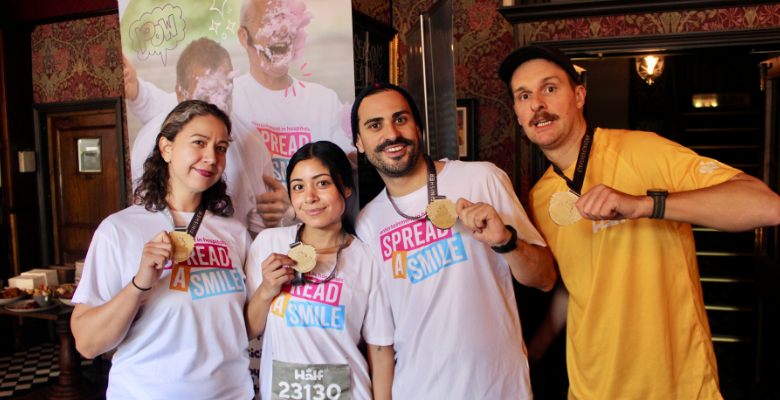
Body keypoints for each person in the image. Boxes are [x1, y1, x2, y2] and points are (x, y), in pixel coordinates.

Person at [498, 45, 780, 399]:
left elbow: (767, 206)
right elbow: (574, 285)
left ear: (579, 96)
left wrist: (645, 204)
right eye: (524, 95)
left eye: (550, 88)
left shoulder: (642, 150)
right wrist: (532, 352)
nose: (537, 103)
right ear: (518, 114)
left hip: (674, 386)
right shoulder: (540, 197)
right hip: (590, 388)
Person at [351, 83, 556, 399]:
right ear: (359, 142)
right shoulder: (367, 222)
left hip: (497, 389)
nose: (391, 134)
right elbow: (381, 337)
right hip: (416, 391)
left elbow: (545, 278)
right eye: (375, 125)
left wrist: (505, 241)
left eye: (400, 119)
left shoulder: (482, 179)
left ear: (418, 128)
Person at [71, 100, 254, 399]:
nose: (211, 158)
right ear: (166, 149)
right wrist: (139, 284)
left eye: (220, 148)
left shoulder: (234, 231)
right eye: (199, 142)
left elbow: (240, 326)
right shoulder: (118, 230)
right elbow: (88, 344)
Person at [245, 141, 394, 400]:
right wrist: (267, 290)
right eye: (298, 187)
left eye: (322, 183)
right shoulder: (269, 244)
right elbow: (248, 331)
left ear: (346, 187)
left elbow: (380, 351)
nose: (310, 197)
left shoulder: (367, 259)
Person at [125, 37, 274, 236]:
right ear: (180, 94)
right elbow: (141, 220)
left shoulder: (252, 143)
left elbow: (261, 228)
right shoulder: (149, 141)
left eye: (225, 93)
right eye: (204, 98)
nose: (217, 106)